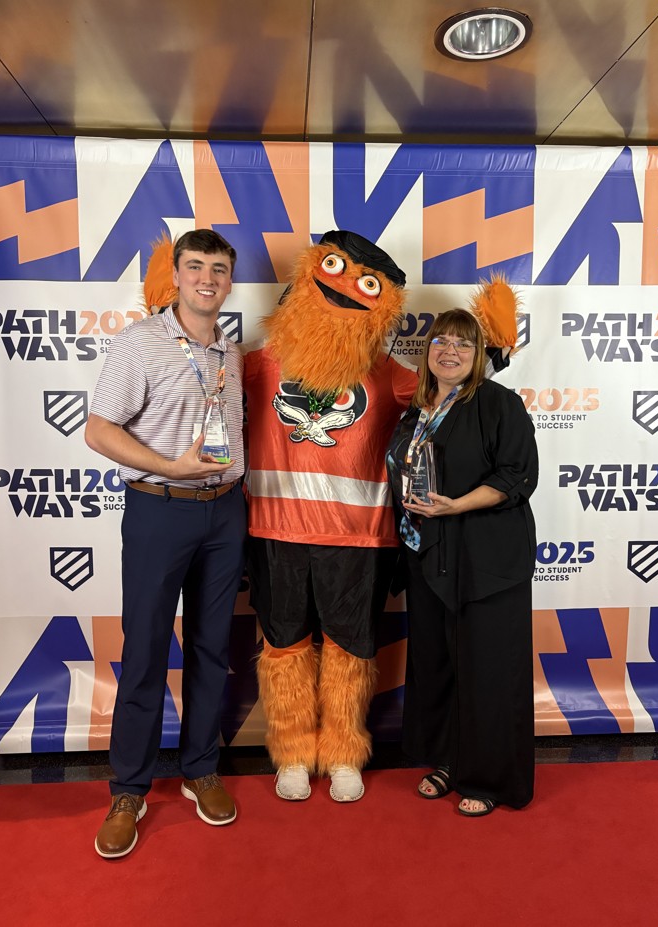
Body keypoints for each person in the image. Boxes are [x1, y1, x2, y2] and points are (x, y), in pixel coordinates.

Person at [85, 228, 246, 858]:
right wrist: (169, 467)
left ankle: (200, 769)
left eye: (219, 269)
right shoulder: (141, 341)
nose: (208, 278)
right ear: (175, 275)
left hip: (225, 512)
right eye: (196, 266)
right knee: (147, 649)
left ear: (229, 280)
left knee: (211, 647)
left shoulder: (231, 351)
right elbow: (99, 430)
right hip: (160, 508)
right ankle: (129, 789)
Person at [244, 230, 418, 803]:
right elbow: (199, 386)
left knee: (350, 648)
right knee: (284, 646)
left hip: (359, 539)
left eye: (366, 285)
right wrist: (166, 321)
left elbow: (449, 399)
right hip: (276, 533)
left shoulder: (388, 373)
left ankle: (344, 752)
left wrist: (488, 353)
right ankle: (292, 753)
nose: (346, 291)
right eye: (337, 271)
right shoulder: (260, 362)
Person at [386, 307, 538, 816]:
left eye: (463, 344)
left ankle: (489, 778)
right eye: (441, 341)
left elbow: (517, 476)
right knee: (440, 666)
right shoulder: (416, 410)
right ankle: (449, 761)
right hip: (429, 557)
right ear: (427, 350)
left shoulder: (497, 403)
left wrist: (457, 505)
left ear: (478, 356)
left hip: (486, 560)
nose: (450, 351)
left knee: (488, 670)